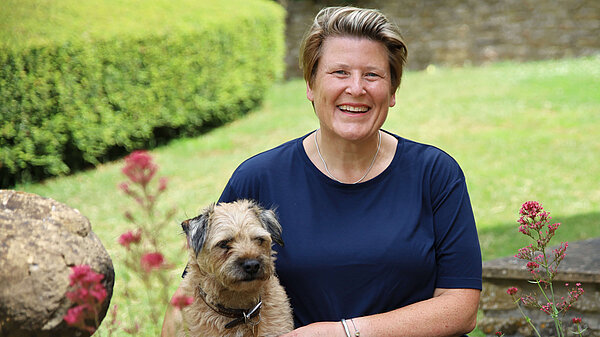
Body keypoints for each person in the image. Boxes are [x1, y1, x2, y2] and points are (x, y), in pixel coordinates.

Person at [163, 6, 482, 337]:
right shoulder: (259, 177)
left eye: (372, 74)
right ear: (310, 85)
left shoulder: (435, 174)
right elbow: (192, 289)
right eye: (339, 72)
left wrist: (344, 332)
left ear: (393, 91)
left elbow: (461, 307)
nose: (356, 88)